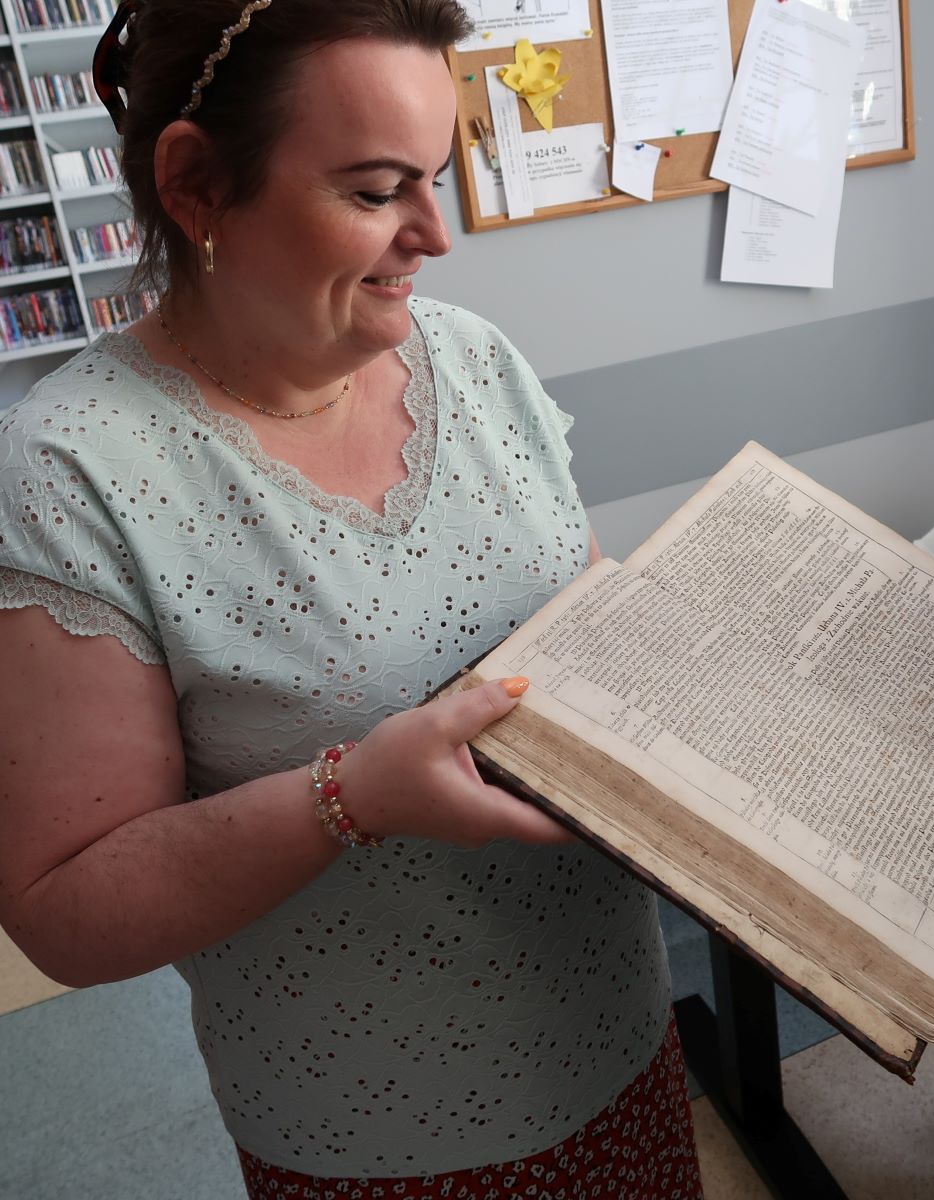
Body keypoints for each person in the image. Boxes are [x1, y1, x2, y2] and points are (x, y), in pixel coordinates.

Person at [0, 2, 704, 1196]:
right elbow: (64, 909)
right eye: (378, 192)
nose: (435, 235)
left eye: (437, 177)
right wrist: (352, 797)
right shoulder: (74, 472)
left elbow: (581, 623)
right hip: (379, 1132)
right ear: (196, 186)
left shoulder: (473, 361)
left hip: (616, 1037)